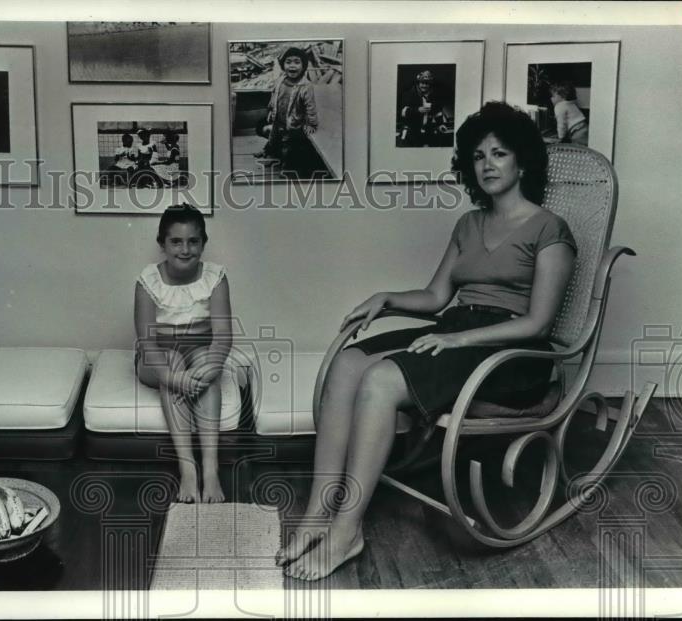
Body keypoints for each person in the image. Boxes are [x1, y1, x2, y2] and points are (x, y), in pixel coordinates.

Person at [279, 101, 577, 581]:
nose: (487, 165)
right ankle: (319, 509)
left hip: (511, 354)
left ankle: (347, 531)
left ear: (522, 161)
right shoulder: (468, 224)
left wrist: (461, 342)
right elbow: (437, 296)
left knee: (381, 379)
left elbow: (538, 324)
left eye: (499, 154)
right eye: (478, 156)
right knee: (350, 361)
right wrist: (385, 298)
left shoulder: (550, 230)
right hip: (458, 329)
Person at [135, 204, 233, 503]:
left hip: (200, 348)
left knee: (206, 361)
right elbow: (147, 343)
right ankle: (188, 469)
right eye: (176, 241)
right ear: (162, 244)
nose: (185, 249)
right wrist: (174, 379)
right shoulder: (148, 281)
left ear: (203, 243)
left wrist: (209, 370)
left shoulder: (215, 277)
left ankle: (211, 471)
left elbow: (223, 337)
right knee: (172, 361)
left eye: (193, 241)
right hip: (156, 357)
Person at [255, 46, 324, 179]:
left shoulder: (306, 86)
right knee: (273, 138)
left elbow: (311, 108)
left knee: (288, 145)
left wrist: (312, 124)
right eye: (288, 62)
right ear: (283, 65)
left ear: (303, 66)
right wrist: (270, 109)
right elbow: (274, 95)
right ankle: (268, 153)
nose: (292, 66)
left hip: (293, 123)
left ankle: (287, 167)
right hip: (278, 118)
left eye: (297, 62)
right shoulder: (280, 80)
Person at [397, 69, 454, 147]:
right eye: (422, 83)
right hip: (410, 131)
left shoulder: (433, 96)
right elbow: (402, 113)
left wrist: (440, 124)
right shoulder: (409, 95)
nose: (424, 85)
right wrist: (417, 110)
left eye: (427, 83)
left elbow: (437, 112)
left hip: (426, 131)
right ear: (418, 83)